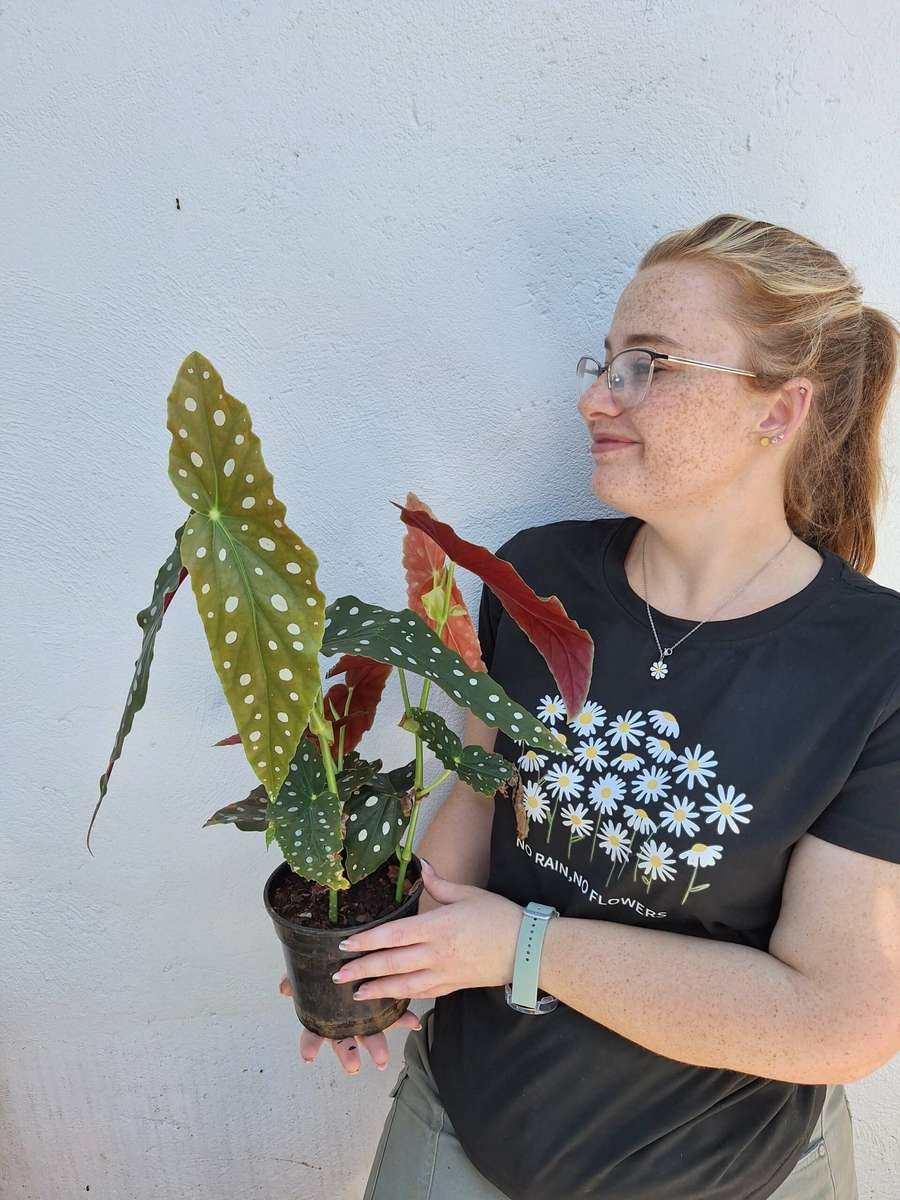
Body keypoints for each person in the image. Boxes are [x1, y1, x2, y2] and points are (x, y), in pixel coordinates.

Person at [280, 213, 900, 1199]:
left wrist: (520, 948)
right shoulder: (537, 573)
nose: (593, 398)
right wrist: (383, 958)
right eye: (606, 361)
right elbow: (483, 803)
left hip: (726, 1174)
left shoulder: (876, 665)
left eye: (647, 365)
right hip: (462, 1126)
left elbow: (836, 1019)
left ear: (778, 412)